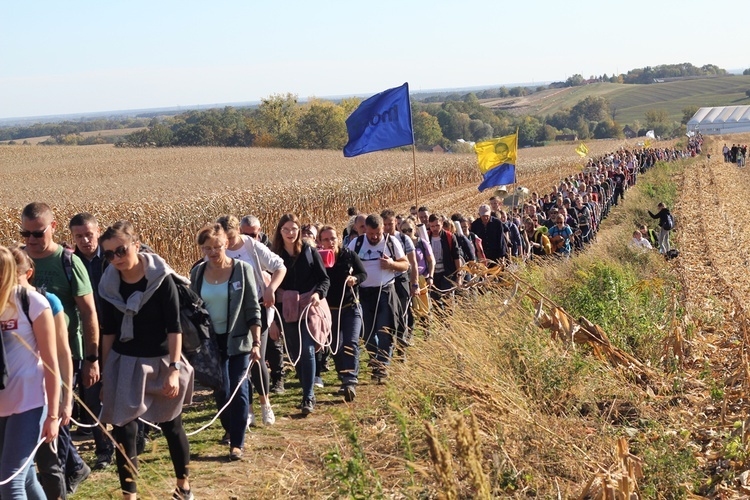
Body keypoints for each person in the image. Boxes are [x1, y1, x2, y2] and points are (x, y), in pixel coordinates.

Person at [97, 221, 194, 500]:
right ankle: (130, 495)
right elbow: (109, 333)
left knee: (172, 426)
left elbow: (174, 328)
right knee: (124, 431)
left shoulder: (161, 279)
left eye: (120, 250)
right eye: (108, 254)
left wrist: (174, 370)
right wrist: (106, 376)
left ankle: (183, 485)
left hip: (162, 360)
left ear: (136, 246)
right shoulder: (109, 284)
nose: (115, 258)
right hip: (124, 362)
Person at [20, 202, 96, 496]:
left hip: (66, 353)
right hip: (28, 357)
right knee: (51, 422)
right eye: (24, 233)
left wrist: (91, 358)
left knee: (60, 416)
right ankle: (75, 466)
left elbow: (88, 313)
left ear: (52, 228)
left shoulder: (68, 262)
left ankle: (66, 473)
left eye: (37, 233)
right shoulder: (19, 260)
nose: (31, 240)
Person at [190, 224, 262, 461]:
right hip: (211, 342)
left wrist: (256, 341)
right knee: (221, 390)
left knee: (238, 390)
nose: (212, 252)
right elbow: (193, 309)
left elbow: (252, 307)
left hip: (239, 340)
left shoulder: (241, 270)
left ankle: (237, 442)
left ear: (226, 245)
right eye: (207, 248)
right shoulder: (197, 273)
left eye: (217, 247)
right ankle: (230, 428)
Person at [0, 245, 61, 499]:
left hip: (30, 403)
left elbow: (52, 363)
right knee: (24, 479)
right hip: (3, 404)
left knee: (8, 483)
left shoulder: (31, 302)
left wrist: (54, 415)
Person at [217, 215, 285, 426]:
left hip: (257, 307)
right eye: (224, 238)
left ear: (238, 232)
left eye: (230, 237)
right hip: (231, 312)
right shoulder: (219, 249)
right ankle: (248, 409)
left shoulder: (252, 247)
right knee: (240, 362)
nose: (227, 242)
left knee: (256, 358)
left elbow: (279, 266)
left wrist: (271, 289)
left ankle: (265, 404)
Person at [69, 212, 115, 471]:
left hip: (115, 333)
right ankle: (103, 449)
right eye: (79, 236)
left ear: (98, 232)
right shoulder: (70, 263)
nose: (85, 240)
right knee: (91, 392)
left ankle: (135, 437)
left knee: (122, 387)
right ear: (72, 237)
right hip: (86, 338)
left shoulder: (111, 258)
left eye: (89, 234)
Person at [272, 214, 330, 415]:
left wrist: (317, 294)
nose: (290, 233)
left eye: (294, 229)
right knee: (295, 354)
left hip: (309, 307)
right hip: (286, 310)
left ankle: (308, 396)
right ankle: (306, 383)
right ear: (280, 231)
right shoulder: (274, 255)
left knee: (307, 350)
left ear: (299, 230)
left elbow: (324, 280)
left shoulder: (309, 251)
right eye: (286, 229)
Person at [348, 214, 407, 382]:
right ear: (365, 229)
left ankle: (382, 367)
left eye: (377, 233)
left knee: (385, 331)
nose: (374, 237)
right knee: (367, 333)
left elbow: (405, 265)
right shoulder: (356, 244)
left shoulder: (391, 242)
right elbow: (347, 265)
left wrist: (391, 265)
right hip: (364, 294)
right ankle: (375, 359)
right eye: (371, 234)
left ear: (383, 229)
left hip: (386, 292)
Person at [318, 225, 366, 401]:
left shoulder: (349, 255)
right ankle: (343, 375)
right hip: (329, 311)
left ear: (338, 238)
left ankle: (350, 380)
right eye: (325, 239)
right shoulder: (319, 258)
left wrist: (355, 279)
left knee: (351, 342)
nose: (330, 242)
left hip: (350, 306)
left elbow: (363, 273)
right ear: (320, 242)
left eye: (333, 238)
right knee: (334, 347)